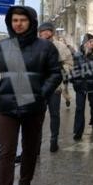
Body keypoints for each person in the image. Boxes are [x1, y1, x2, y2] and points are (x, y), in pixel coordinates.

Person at [0, 5, 62, 185]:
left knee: (30, 150)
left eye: (23, 20)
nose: (18, 24)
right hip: (7, 108)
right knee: (6, 152)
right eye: (15, 20)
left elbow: (55, 73)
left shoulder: (45, 47)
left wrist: (41, 94)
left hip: (33, 108)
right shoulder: (1, 47)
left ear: (31, 22)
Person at [37, 22, 74, 153]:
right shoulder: (34, 45)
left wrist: (59, 70)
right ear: (39, 33)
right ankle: (36, 144)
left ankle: (54, 141)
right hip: (39, 87)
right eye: (43, 31)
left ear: (52, 32)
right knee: (38, 117)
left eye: (48, 30)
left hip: (54, 87)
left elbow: (70, 64)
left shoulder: (61, 46)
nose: (45, 33)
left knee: (54, 114)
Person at [71, 33, 93, 139]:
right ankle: (78, 131)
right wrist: (74, 81)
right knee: (79, 108)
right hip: (80, 85)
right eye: (90, 41)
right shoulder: (77, 54)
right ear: (84, 43)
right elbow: (73, 69)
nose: (92, 43)